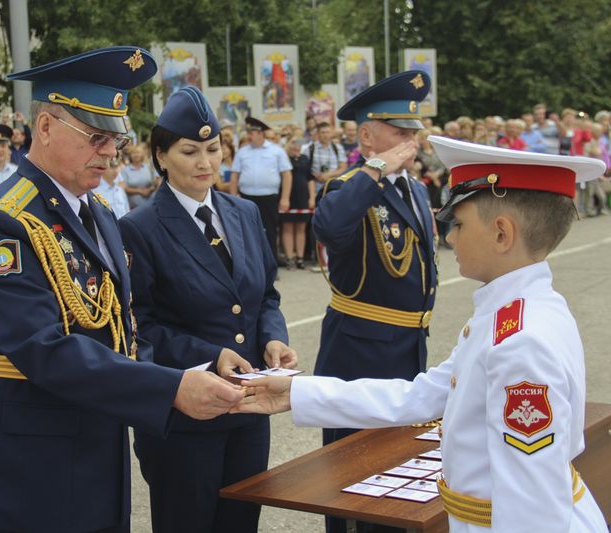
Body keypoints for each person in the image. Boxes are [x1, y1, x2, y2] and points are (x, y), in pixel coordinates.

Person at [234, 136, 608, 533]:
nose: (448, 238)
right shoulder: (514, 314)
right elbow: (426, 394)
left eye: (459, 224)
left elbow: (533, 508)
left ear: (502, 234)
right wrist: (296, 393)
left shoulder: (520, 341)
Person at [0, 47, 245, 533]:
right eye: (96, 137)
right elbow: (44, 349)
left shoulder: (99, 214)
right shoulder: (3, 222)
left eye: (117, 138)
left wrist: (196, 366)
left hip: (98, 443)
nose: (111, 153)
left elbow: (122, 329)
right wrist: (170, 388)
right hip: (34, 461)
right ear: (45, 128)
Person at [119, 85, 296, 533]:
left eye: (214, 149)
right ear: (160, 156)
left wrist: (273, 337)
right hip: (185, 418)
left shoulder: (243, 213)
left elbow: (265, 295)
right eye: (189, 151)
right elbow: (139, 326)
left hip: (247, 410)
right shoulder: (139, 227)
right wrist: (211, 355)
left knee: (240, 522)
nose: (205, 163)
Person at [312, 70, 438, 532]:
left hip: (408, 348)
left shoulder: (417, 190)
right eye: (399, 132)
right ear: (366, 134)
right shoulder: (349, 187)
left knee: (399, 478)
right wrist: (376, 168)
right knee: (358, 481)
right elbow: (330, 228)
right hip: (359, 354)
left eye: (413, 132)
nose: (410, 141)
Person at [229, 117, 293, 262]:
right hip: (246, 198)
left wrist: (285, 198)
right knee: (246, 232)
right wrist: (233, 197)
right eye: (249, 132)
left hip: (269, 198)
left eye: (251, 132)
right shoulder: (242, 152)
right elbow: (234, 176)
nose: (249, 136)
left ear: (260, 133)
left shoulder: (277, 151)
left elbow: (287, 175)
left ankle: (270, 264)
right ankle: (249, 264)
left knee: (270, 232)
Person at [280, 136, 315, 269]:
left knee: (301, 228)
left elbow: (310, 179)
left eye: (299, 144)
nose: (296, 147)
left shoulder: (305, 159)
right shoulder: (284, 158)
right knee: (288, 227)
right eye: (293, 143)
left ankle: (300, 258)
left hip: (302, 198)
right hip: (287, 197)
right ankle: (290, 258)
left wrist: (311, 198)